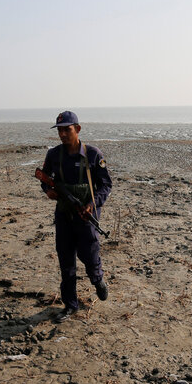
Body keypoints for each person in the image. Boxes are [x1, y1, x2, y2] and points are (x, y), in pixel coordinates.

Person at [39, 111, 112, 323]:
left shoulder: (93, 154)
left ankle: (97, 279)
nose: (62, 134)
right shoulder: (53, 155)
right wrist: (47, 190)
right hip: (63, 215)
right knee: (66, 261)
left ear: (77, 129)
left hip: (86, 216)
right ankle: (70, 304)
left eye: (67, 130)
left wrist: (93, 203)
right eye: (60, 130)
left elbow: (106, 185)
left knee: (90, 255)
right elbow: (44, 178)